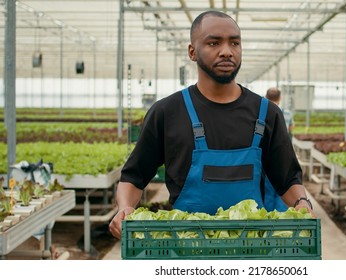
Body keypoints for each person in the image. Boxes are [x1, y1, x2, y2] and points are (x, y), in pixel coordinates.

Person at [109, 10, 314, 239]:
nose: (226, 51)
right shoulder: (167, 112)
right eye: (214, 42)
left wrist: (302, 202)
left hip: (252, 247)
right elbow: (135, 175)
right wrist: (125, 207)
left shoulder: (267, 114)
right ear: (192, 52)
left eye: (234, 43)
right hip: (185, 247)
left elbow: (287, 179)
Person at [263, 87, 296, 211]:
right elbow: (292, 128)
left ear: (266, 97)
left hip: (265, 154)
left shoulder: (261, 112)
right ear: (280, 98)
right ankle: (280, 218)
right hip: (284, 154)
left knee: (267, 186)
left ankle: (267, 216)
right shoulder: (287, 113)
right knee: (283, 185)